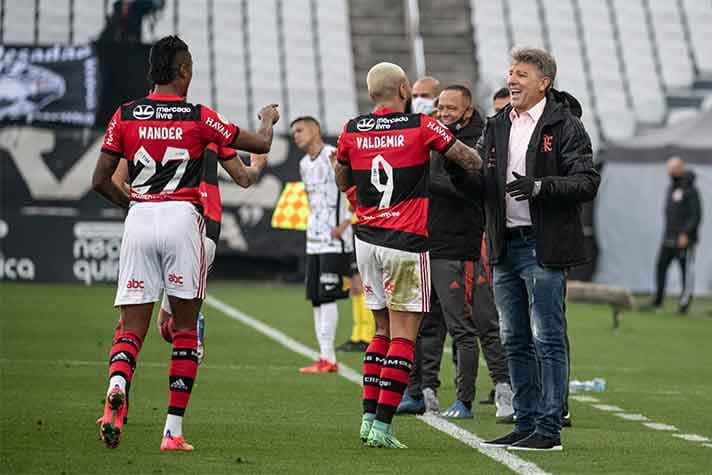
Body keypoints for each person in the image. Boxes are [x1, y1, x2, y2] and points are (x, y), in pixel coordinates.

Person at [91, 35, 279, 451]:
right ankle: (172, 431)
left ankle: (118, 385)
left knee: (130, 329)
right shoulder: (198, 117)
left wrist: (135, 205)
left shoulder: (125, 115)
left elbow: (100, 180)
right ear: (184, 71)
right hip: (183, 219)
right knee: (184, 330)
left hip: (140, 217)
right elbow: (261, 146)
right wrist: (267, 118)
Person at [452, 48, 600, 451]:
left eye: (520, 74)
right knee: (514, 338)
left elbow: (587, 181)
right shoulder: (499, 124)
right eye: (510, 72)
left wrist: (540, 187)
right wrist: (455, 169)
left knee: (548, 337)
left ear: (543, 82)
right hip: (504, 244)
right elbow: (482, 186)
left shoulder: (565, 125)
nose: (512, 80)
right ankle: (526, 420)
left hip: (543, 245)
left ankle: (549, 428)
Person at [334, 62, 482, 448]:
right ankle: (383, 427)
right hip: (405, 240)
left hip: (366, 239)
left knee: (379, 331)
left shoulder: (351, 129)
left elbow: (342, 177)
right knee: (404, 336)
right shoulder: (421, 125)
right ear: (403, 89)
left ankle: (368, 419)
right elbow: (469, 158)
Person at [292, 116, 354, 373]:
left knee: (328, 296)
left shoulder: (334, 155)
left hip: (335, 240)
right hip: (314, 240)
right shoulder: (304, 164)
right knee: (317, 298)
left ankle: (329, 357)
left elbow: (354, 188)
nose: (296, 135)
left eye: (300, 130)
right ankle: (324, 356)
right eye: (293, 132)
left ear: (316, 129)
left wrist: (347, 222)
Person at [643, 157, 702, 314]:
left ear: (680, 169)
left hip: (684, 239)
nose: (669, 172)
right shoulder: (671, 188)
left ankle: (684, 303)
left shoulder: (691, 190)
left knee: (685, 271)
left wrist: (686, 234)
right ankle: (658, 299)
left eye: (672, 169)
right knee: (661, 266)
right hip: (668, 236)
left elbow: (695, 215)